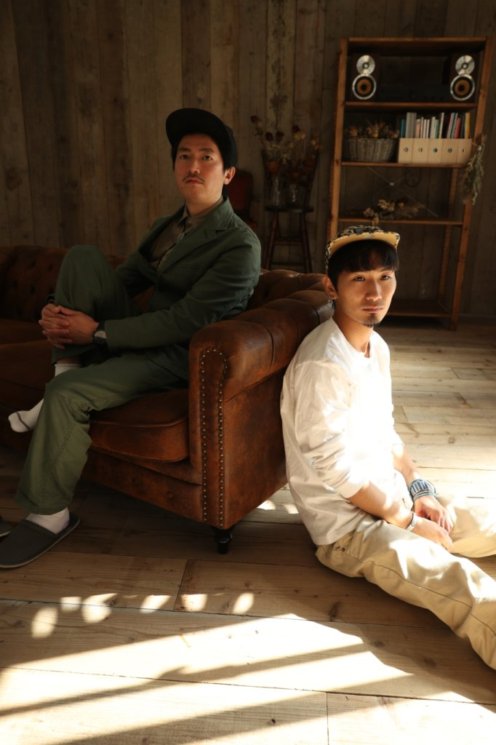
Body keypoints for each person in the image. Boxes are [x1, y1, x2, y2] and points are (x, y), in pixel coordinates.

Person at [0, 108, 261, 568]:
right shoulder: (169, 225)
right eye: (184, 156)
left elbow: (186, 321)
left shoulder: (240, 245)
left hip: (179, 356)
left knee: (66, 395)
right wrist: (61, 311)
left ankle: (49, 514)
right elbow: (123, 280)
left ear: (228, 174)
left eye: (206, 157)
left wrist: (97, 332)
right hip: (142, 333)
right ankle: (68, 365)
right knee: (83, 257)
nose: (193, 166)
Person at [280, 225, 496, 670]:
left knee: (484, 521)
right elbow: (337, 473)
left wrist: (419, 490)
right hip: (350, 529)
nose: (374, 293)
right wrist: (408, 523)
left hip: (393, 497)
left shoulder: (375, 346)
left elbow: (387, 431)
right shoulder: (323, 363)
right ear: (331, 288)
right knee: (461, 583)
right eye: (359, 279)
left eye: (385, 278)